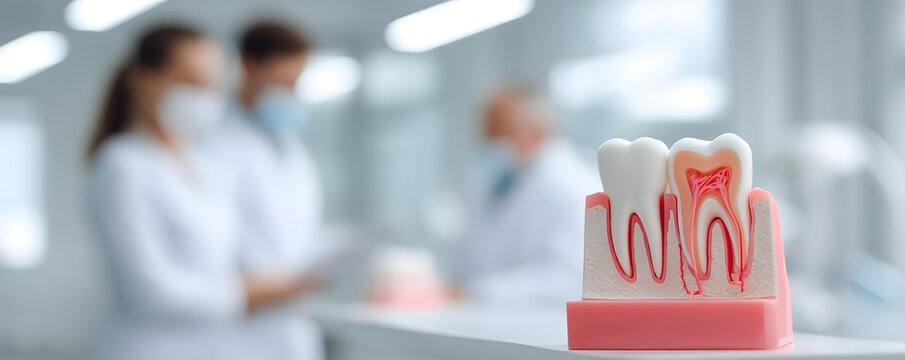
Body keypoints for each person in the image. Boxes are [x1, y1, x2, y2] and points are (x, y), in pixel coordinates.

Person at [85, 25, 318, 360]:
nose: (205, 96)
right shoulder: (122, 165)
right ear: (146, 81)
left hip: (215, 346)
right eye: (191, 82)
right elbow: (147, 291)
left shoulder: (201, 164)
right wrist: (247, 293)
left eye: (210, 84)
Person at [217, 21, 326, 360]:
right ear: (249, 67)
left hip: (291, 324)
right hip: (235, 329)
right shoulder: (212, 144)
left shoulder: (292, 150)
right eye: (282, 83)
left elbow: (300, 235)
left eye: (296, 84)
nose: (290, 94)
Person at [445, 86, 599, 308]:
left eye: (498, 132)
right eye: (486, 132)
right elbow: (465, 261)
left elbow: (569, 278)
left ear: (536, 131)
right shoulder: (499, 183)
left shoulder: (571, 185)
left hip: (544, 323)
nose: (488, 142)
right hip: (487, 317)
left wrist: (477, 292)